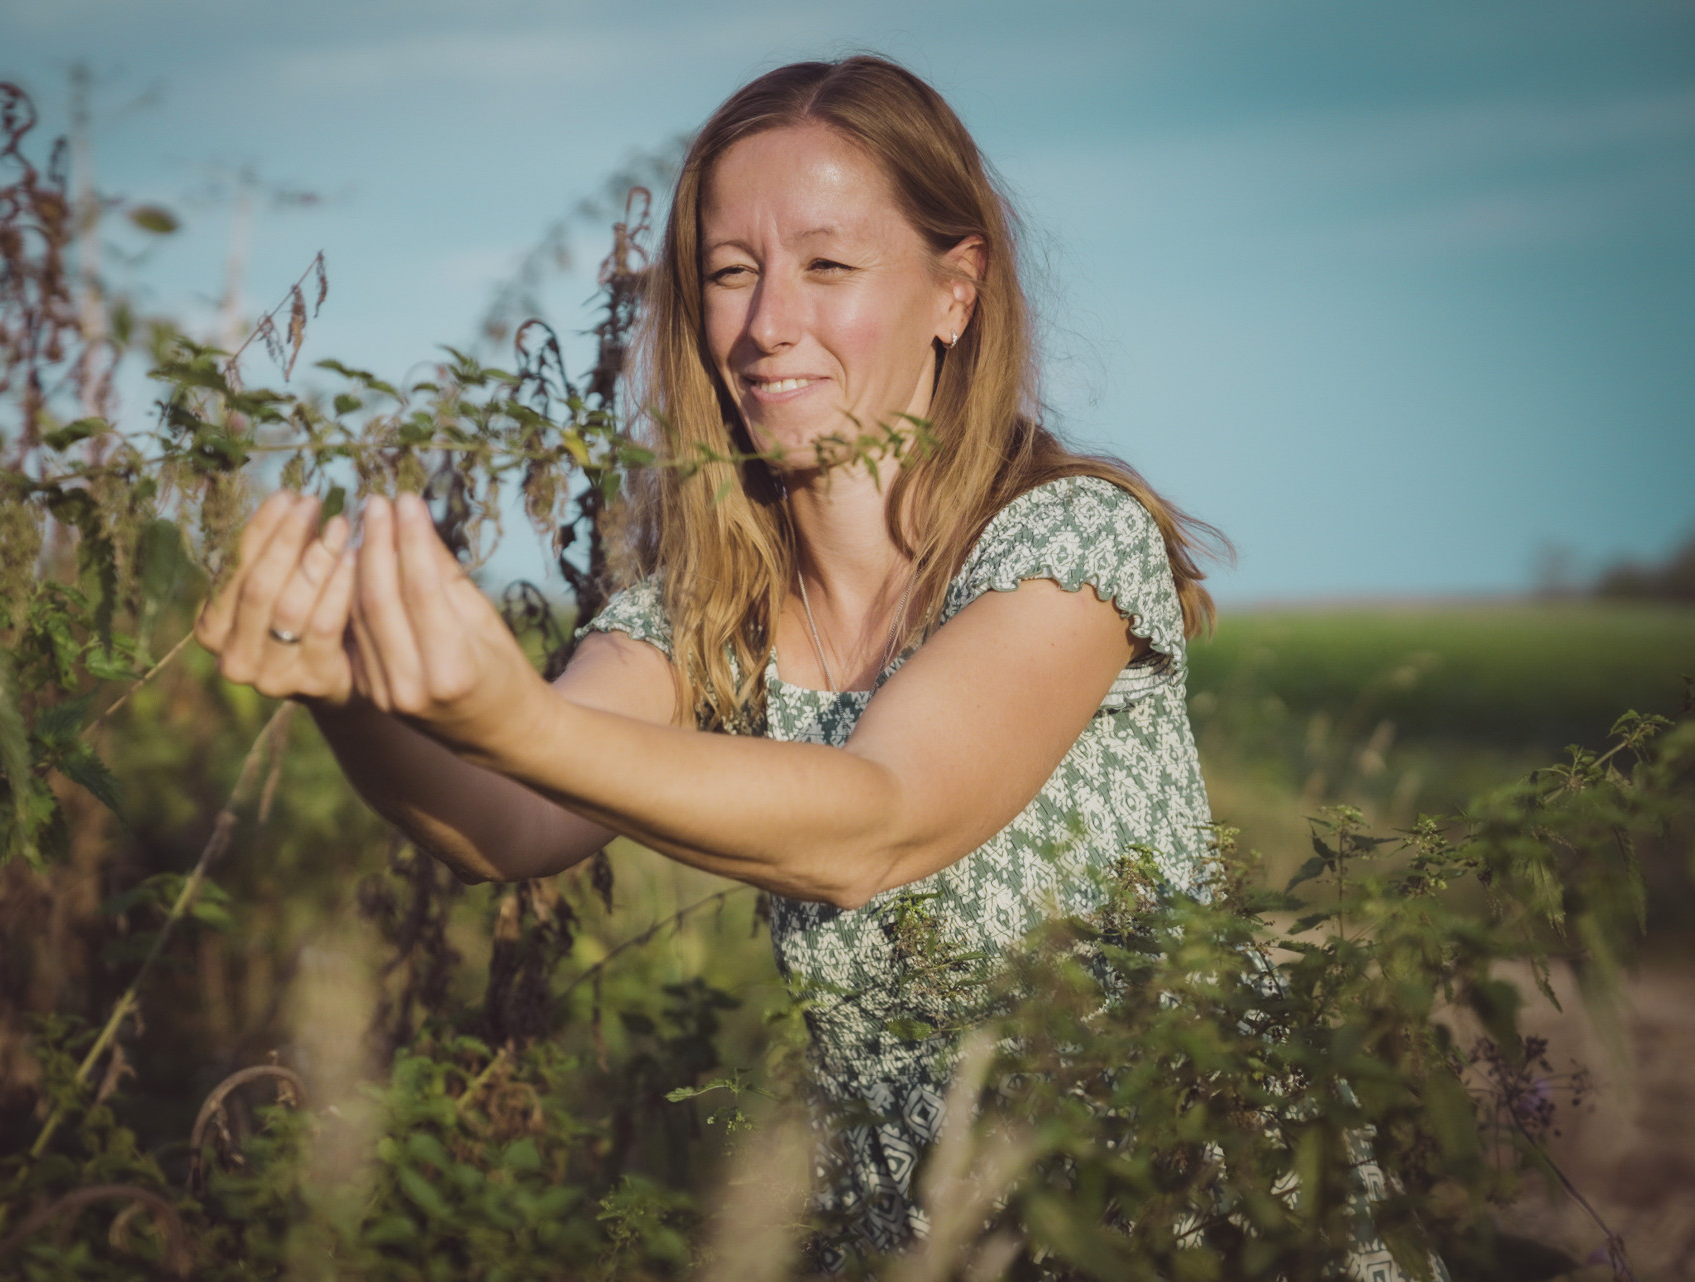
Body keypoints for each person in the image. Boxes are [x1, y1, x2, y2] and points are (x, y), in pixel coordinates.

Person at [197, 55, 1227, 1271]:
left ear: (959, 290)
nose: (764, 325)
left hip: (1168, 1213)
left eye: (828, 266)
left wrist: (510, 714)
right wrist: (347, 691)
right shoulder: (705, 611)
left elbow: (877, 824)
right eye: (730, 273)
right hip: (913, 1236)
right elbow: (509, 828)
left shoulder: (1067, 541)